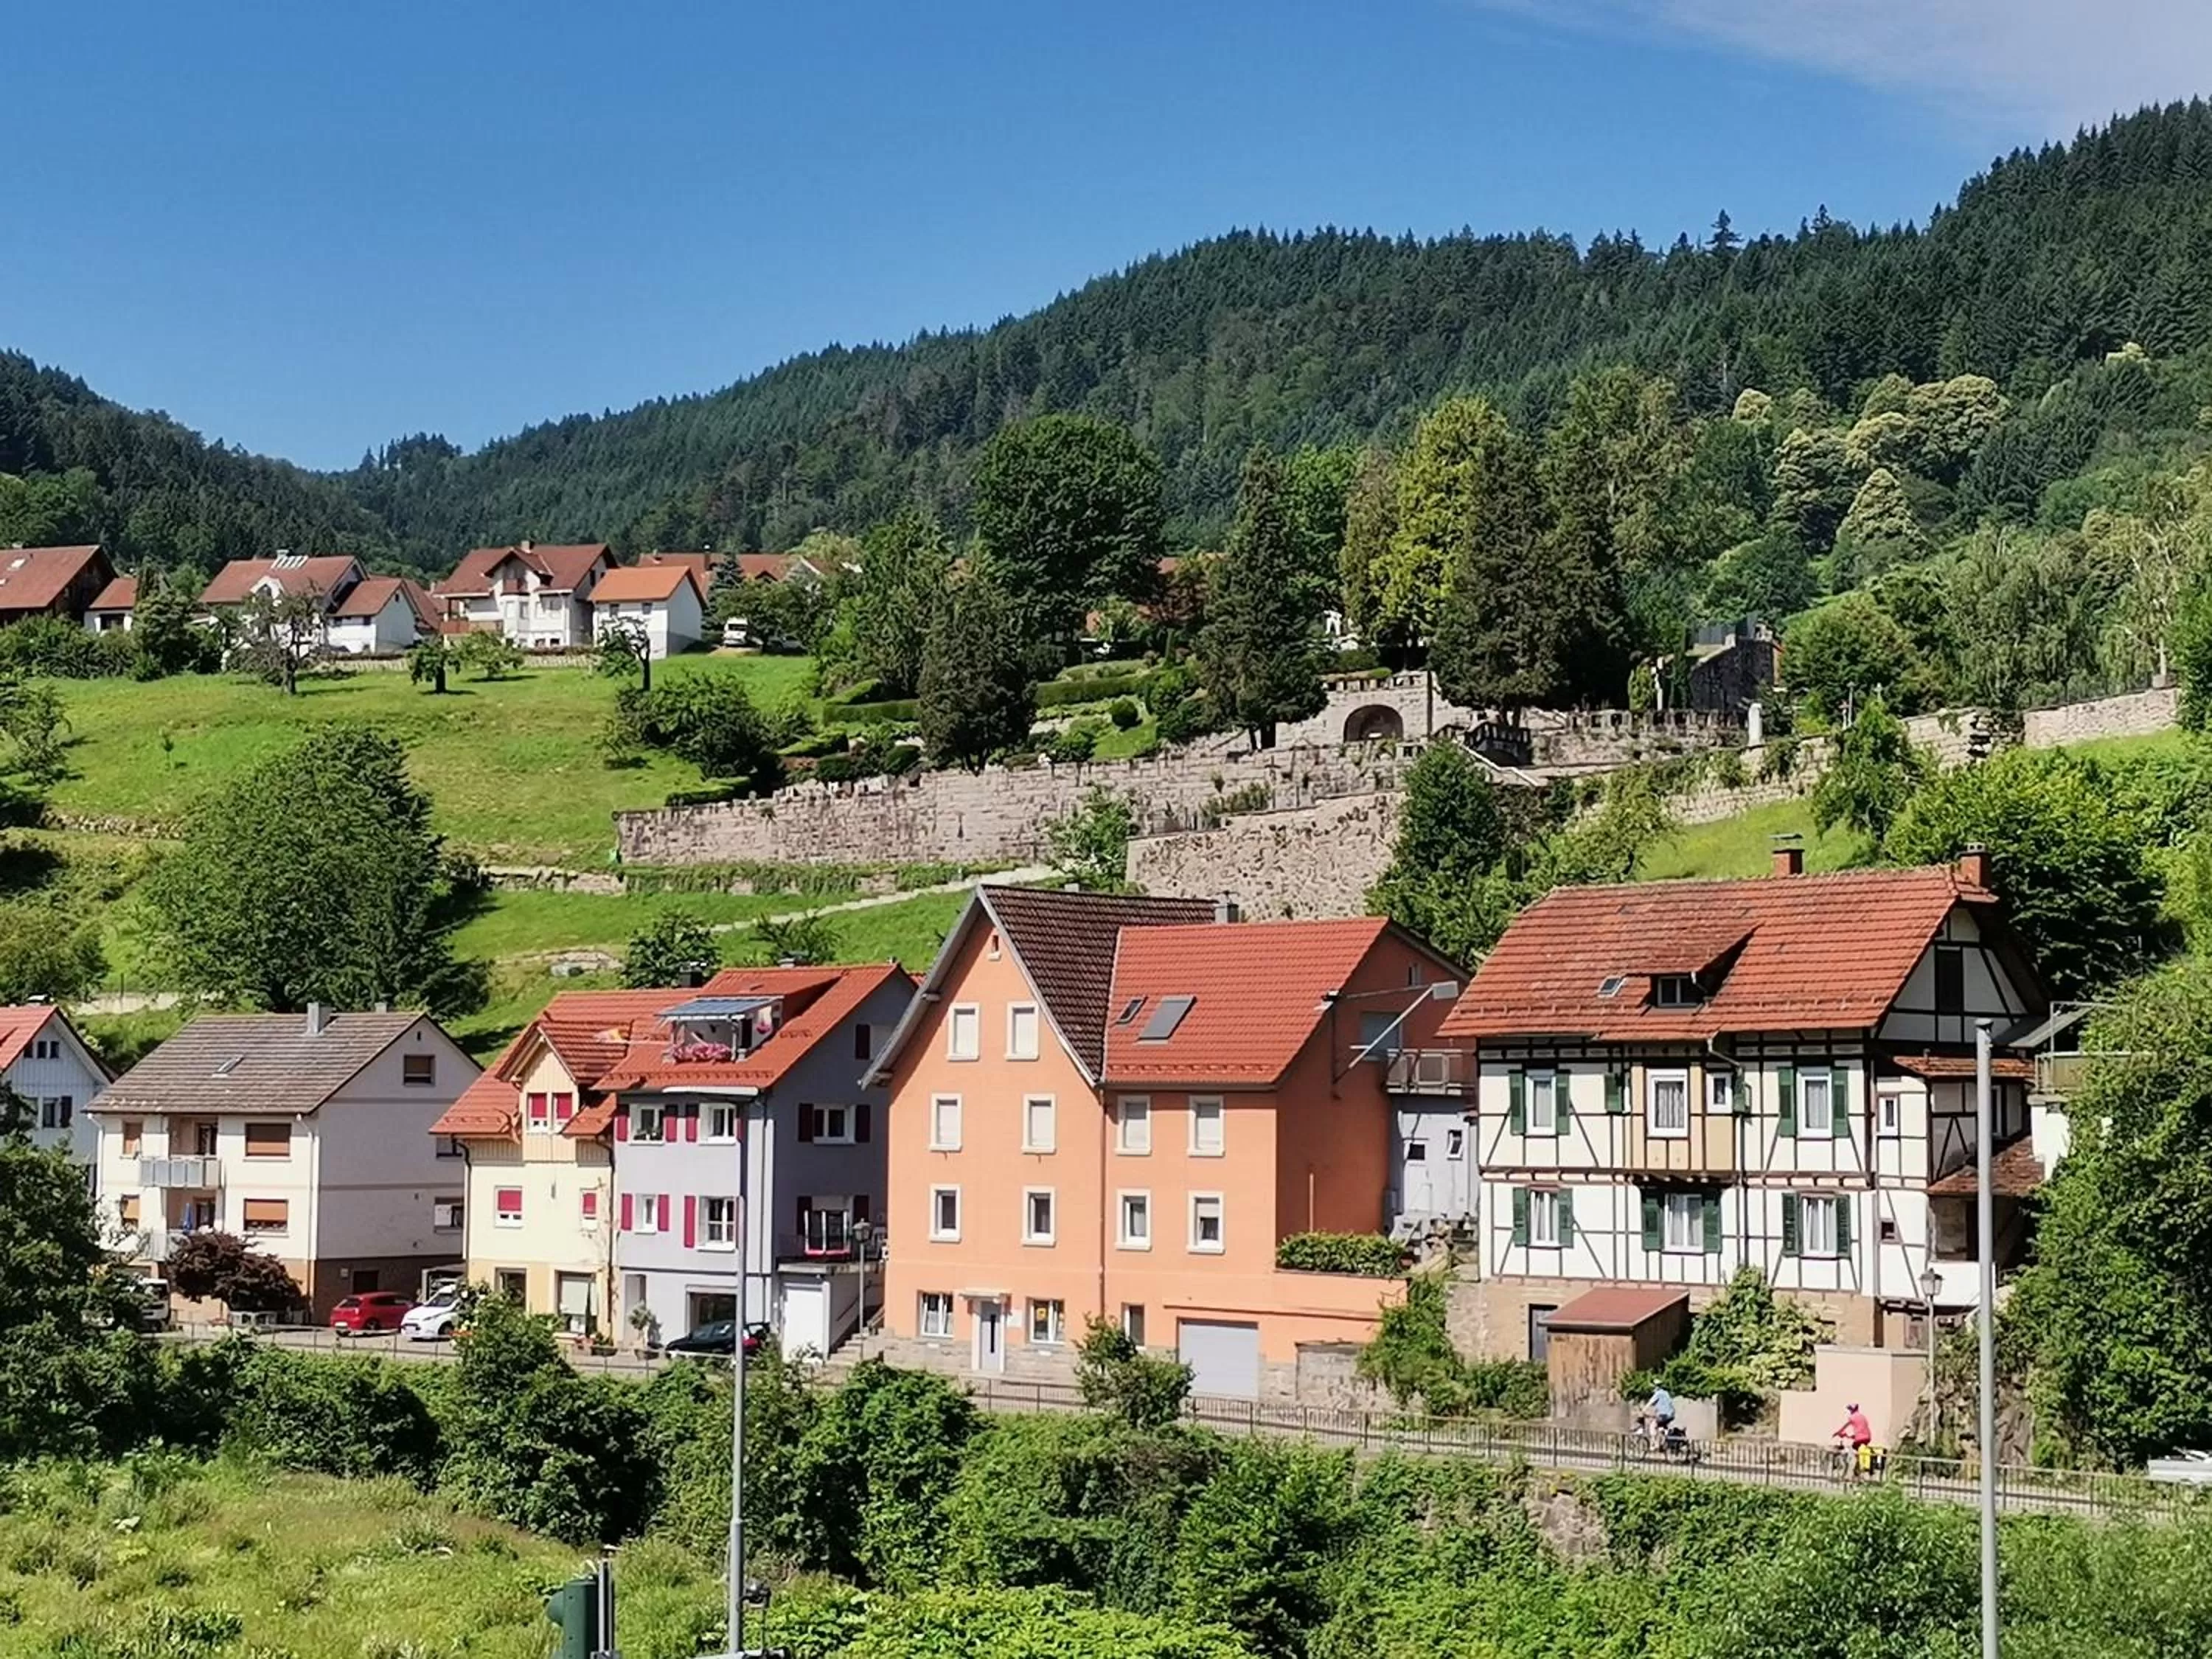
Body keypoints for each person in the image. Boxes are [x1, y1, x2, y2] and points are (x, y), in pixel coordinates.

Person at [1834, 1401, 1874, 1477]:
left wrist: (1839, 1432)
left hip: (1859, 1439)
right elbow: (1862, 1428)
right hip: (1868, 1437)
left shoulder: (1852, 1417)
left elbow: (1846, 1426)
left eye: (1849, 1410)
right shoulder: (1862, 1417)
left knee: (1853, 1449)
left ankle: (1857, 1467)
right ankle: (1860, 1465)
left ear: (1851, 1410)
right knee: (1859, 1450)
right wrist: (1852, 1436)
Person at [1644, 1382, 1677, 1450]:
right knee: (1661, 1427)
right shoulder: (1666, 1393)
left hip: (1664, 1415)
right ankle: (1664, 1436)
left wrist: (1643, 1410)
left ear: (1657, 1387)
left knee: (1652, 1426)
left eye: (1653, 1388)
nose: (1652, 1390)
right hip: (1671, 1415)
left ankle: (1653, 1444)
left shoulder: (1658, 1394)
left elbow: (1650, 1402)